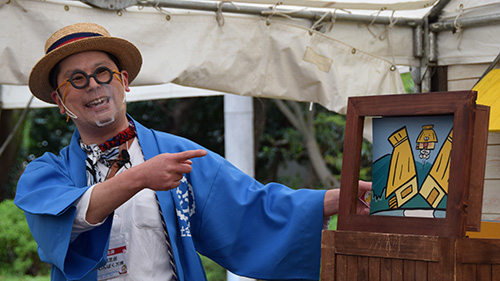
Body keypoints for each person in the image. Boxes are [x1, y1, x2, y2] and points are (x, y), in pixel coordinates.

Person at [14, 22, 371, 281]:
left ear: (123, 82)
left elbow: (253, 207)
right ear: (60, 102)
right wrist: (140, 176)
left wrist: (330, 201)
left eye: (103, 73)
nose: (93, 85)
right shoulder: (47, 173)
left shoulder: (177, 154)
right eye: (76, 79)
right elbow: (66, 220)